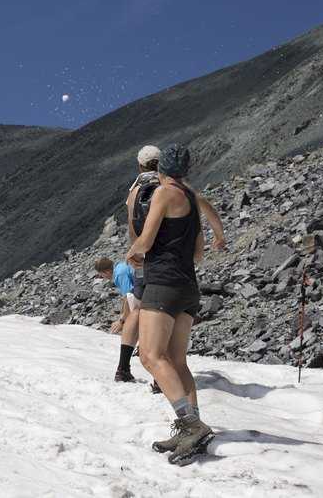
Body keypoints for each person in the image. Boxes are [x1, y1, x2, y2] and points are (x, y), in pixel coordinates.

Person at [126, 144, 215, 466]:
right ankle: (192, 427)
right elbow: (199, 249)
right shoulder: (191, 196)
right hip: (188, 286)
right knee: (177, 361)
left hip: (163, 284)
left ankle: (191, 425)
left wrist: (134, 251)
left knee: (150, 356)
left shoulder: (164, 193)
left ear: (162, 167)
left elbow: (146, 240)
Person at [119, 144, 227, 387]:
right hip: (176, 267)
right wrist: (219, 236)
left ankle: (124, 367)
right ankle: (163, 380)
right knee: (167, 318)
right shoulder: (180, 189)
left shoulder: (135, 191)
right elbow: (206, 208)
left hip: (145, 260)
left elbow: (132, 225)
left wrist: (134, 250)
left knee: (140, 312)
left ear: (140, 165)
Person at [94, 257, 140, 381]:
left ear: (106, 272)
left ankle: (123, 370)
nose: (104, 278)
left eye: (102, 275)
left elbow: (129, 296)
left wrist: (122, 320)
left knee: (132, 323)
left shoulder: (119, 274)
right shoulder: (121, 268)